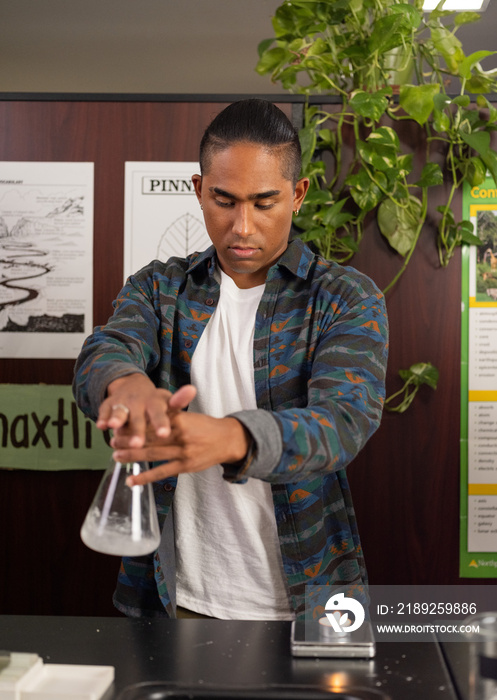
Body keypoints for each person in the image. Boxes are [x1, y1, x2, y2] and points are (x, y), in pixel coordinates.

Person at [73, 98, 388, 621]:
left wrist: (232, 438)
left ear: (298, 194)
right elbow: (106, 349)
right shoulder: (160, 288)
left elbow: (344, 422)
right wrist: (125, 385)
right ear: (199, 191)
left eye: (264, 203)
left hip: (309, 598)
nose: (242, 227)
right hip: (173, 597)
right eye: (224, 200)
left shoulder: (344, 298)